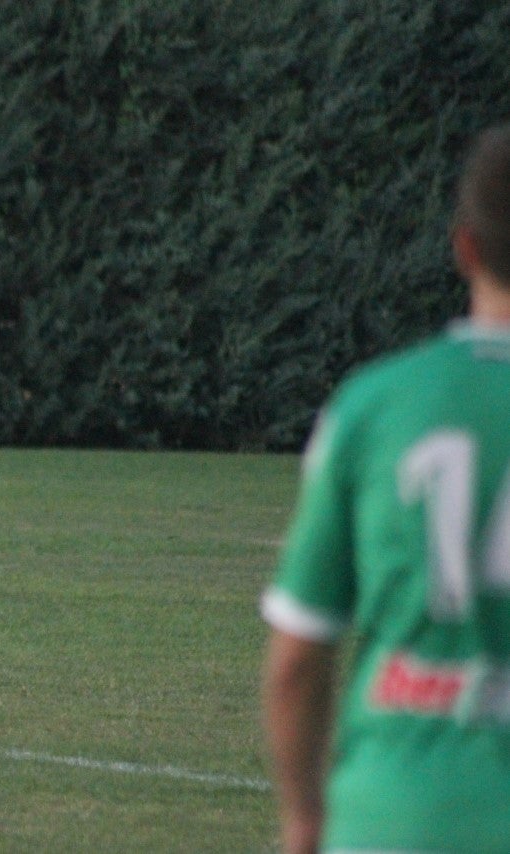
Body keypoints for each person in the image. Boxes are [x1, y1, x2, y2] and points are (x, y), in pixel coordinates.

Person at [262, 124, 510, 853]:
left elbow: (298, 657)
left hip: (397, 816)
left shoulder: (376, 406)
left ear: (464, 246)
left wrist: (306, 817)